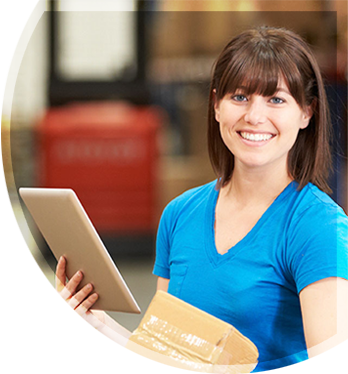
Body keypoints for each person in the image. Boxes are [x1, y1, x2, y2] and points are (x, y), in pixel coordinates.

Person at [54, 26, 348, 373]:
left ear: (306, 113)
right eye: (239, 97)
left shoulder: (317, 227)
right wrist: (100, 324)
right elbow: (161, 357)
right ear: (216, 106)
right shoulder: (180, 215)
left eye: (276, 99)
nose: (254, 116)